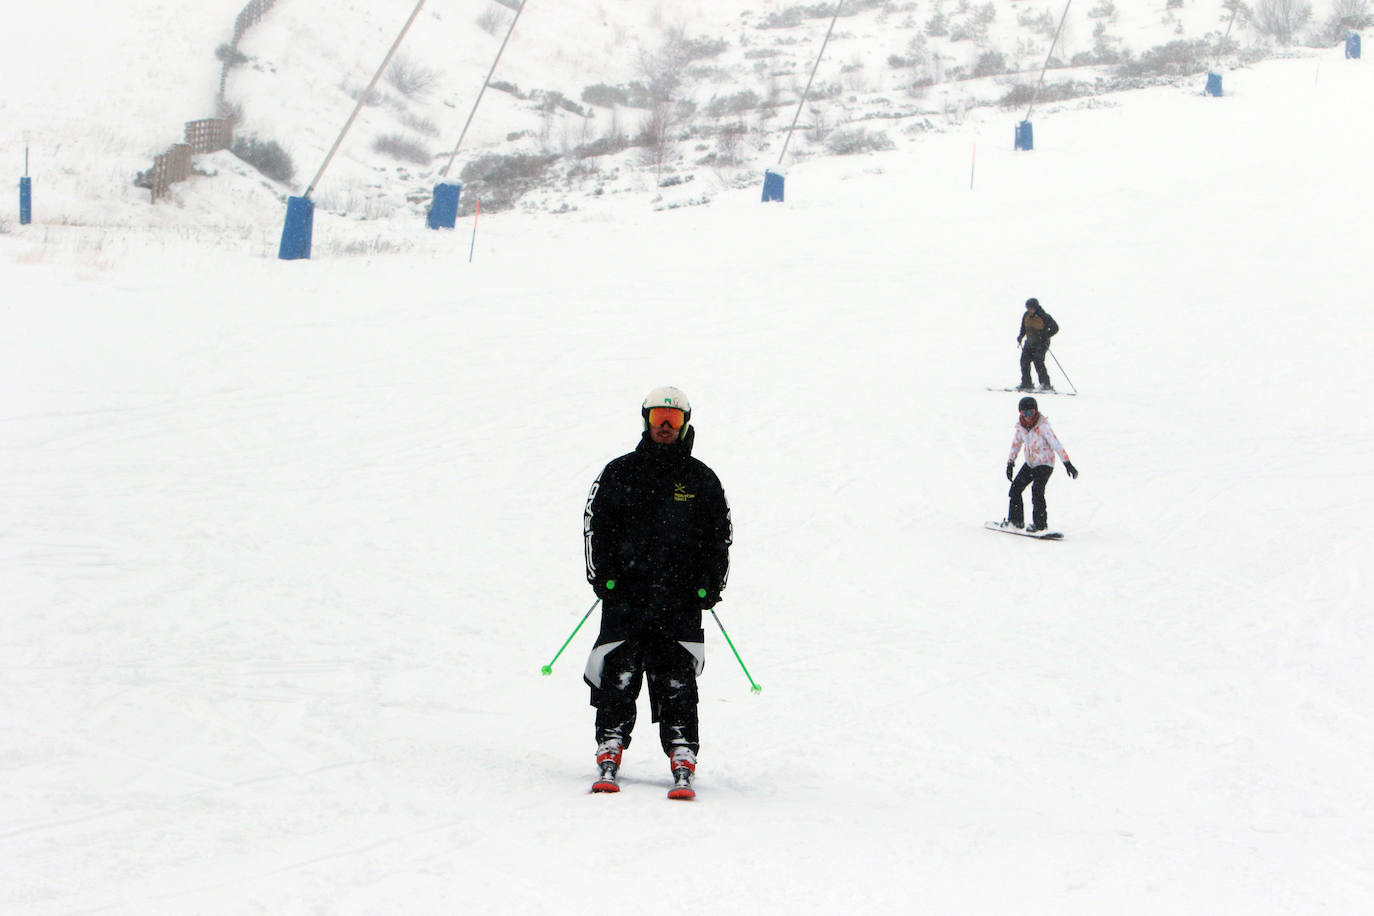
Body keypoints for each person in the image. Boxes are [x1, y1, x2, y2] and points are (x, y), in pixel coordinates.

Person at [582, 386, 732, 798]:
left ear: (685, 424)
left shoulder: (701, 479)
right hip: (627, 592)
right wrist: (603, 575)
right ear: (645, 420)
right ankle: (609, 745)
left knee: (676, 677)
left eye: (674, 419)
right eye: (658, 418)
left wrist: (709, 584)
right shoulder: (620, 472)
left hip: (680, 597)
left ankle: (682, 751)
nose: (665, 426)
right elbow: (596, 525)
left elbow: (719, 537)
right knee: (619, 671)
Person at [1004, 396, 1078, 533]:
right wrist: (1010, 462)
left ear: (1035, 412)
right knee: (1015, 489)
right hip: (1031, 463)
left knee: (1037, 491)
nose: (1027, 417)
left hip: (1045, 464)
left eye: (1030, 413)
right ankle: (1016, 521)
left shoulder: (1043, 427)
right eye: (1023, 413)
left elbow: (1056, 444)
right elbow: (1016, 445)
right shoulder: (1021, 428)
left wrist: (1067, 463)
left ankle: (1040, 525)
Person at [1016, 297, 1059, 392]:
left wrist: (1045, 335)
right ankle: (1026, 383)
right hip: (1029, 342)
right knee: (1024, 361)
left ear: (1035, 307)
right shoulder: (1026, 315)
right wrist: (1020, 336)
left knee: (1038, 363)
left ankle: (1045, 385)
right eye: (1027, 308)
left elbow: (1055, 328)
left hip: (1041, 343)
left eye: (1031, 308)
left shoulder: (1044, 316)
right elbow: (1023, 327)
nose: (1029, 310)